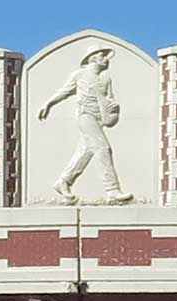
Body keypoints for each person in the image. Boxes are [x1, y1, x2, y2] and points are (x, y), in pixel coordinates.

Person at [38, 44, 133, 204]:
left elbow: (111, 99)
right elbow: (64, 91)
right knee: (103, 149)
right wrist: (48, 104)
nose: (106, 60)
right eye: (103, 56)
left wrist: (115, 108)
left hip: (100, 118)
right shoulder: (79, 75)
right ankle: (113, 191)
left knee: (86, 151)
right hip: (85, 116)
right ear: (93, 58)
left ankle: (64, 182)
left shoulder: (106, 78)